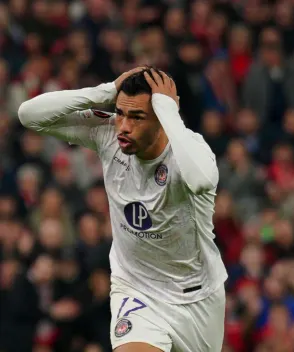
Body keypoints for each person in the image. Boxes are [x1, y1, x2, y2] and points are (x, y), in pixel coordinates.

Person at [17, 67, 228, 352]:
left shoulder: (191, 151)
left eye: (137, 117)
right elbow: (29, 115)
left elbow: (202, 181)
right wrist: (104, 91)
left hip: (197, 298)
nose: (124, 126)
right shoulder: (109, 135)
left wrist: (169, 111)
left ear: (163, 119)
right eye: (120, 113)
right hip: (136, 289)